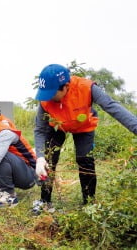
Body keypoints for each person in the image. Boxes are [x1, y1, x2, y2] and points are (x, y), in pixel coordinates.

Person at [32, 64, 137, 213]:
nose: (48, 97)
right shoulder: (45, 100)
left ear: (66, 86)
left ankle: (89, 204)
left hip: (83, 125)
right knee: (48, 160)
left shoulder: (86, 88)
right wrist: (40, 157)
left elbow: (112, 107)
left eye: (51, 93)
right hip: (57, 126)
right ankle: (45, 201)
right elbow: (40, 129)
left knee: (85, 160)